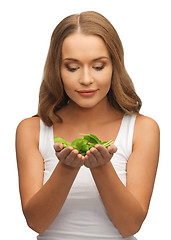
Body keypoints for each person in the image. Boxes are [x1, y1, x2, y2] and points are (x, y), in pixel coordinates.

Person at [15, 11, 160, 240]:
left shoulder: (142, 129)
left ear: (115, 66)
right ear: (57, 69)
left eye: (98, 67)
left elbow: (130, 225)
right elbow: (36, 222)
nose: (85, 79)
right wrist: (67, 168)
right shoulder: (32, 130)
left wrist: (101, 168)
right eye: (72, 67)